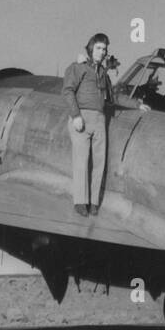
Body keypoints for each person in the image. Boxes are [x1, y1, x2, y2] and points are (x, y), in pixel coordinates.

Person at [63, 33, 115, 216]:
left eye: (104, 49)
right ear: (91, 48)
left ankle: (93, 202)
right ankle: (80, 201)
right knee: (81, 161)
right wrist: (76, 115)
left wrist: (138, 105)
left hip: (100, 120)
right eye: (99, 48)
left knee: (99, 162)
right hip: (82, 119)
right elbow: (68, 91)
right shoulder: (78, 67)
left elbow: (113, 97)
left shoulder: (103, 74)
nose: (102, 52)